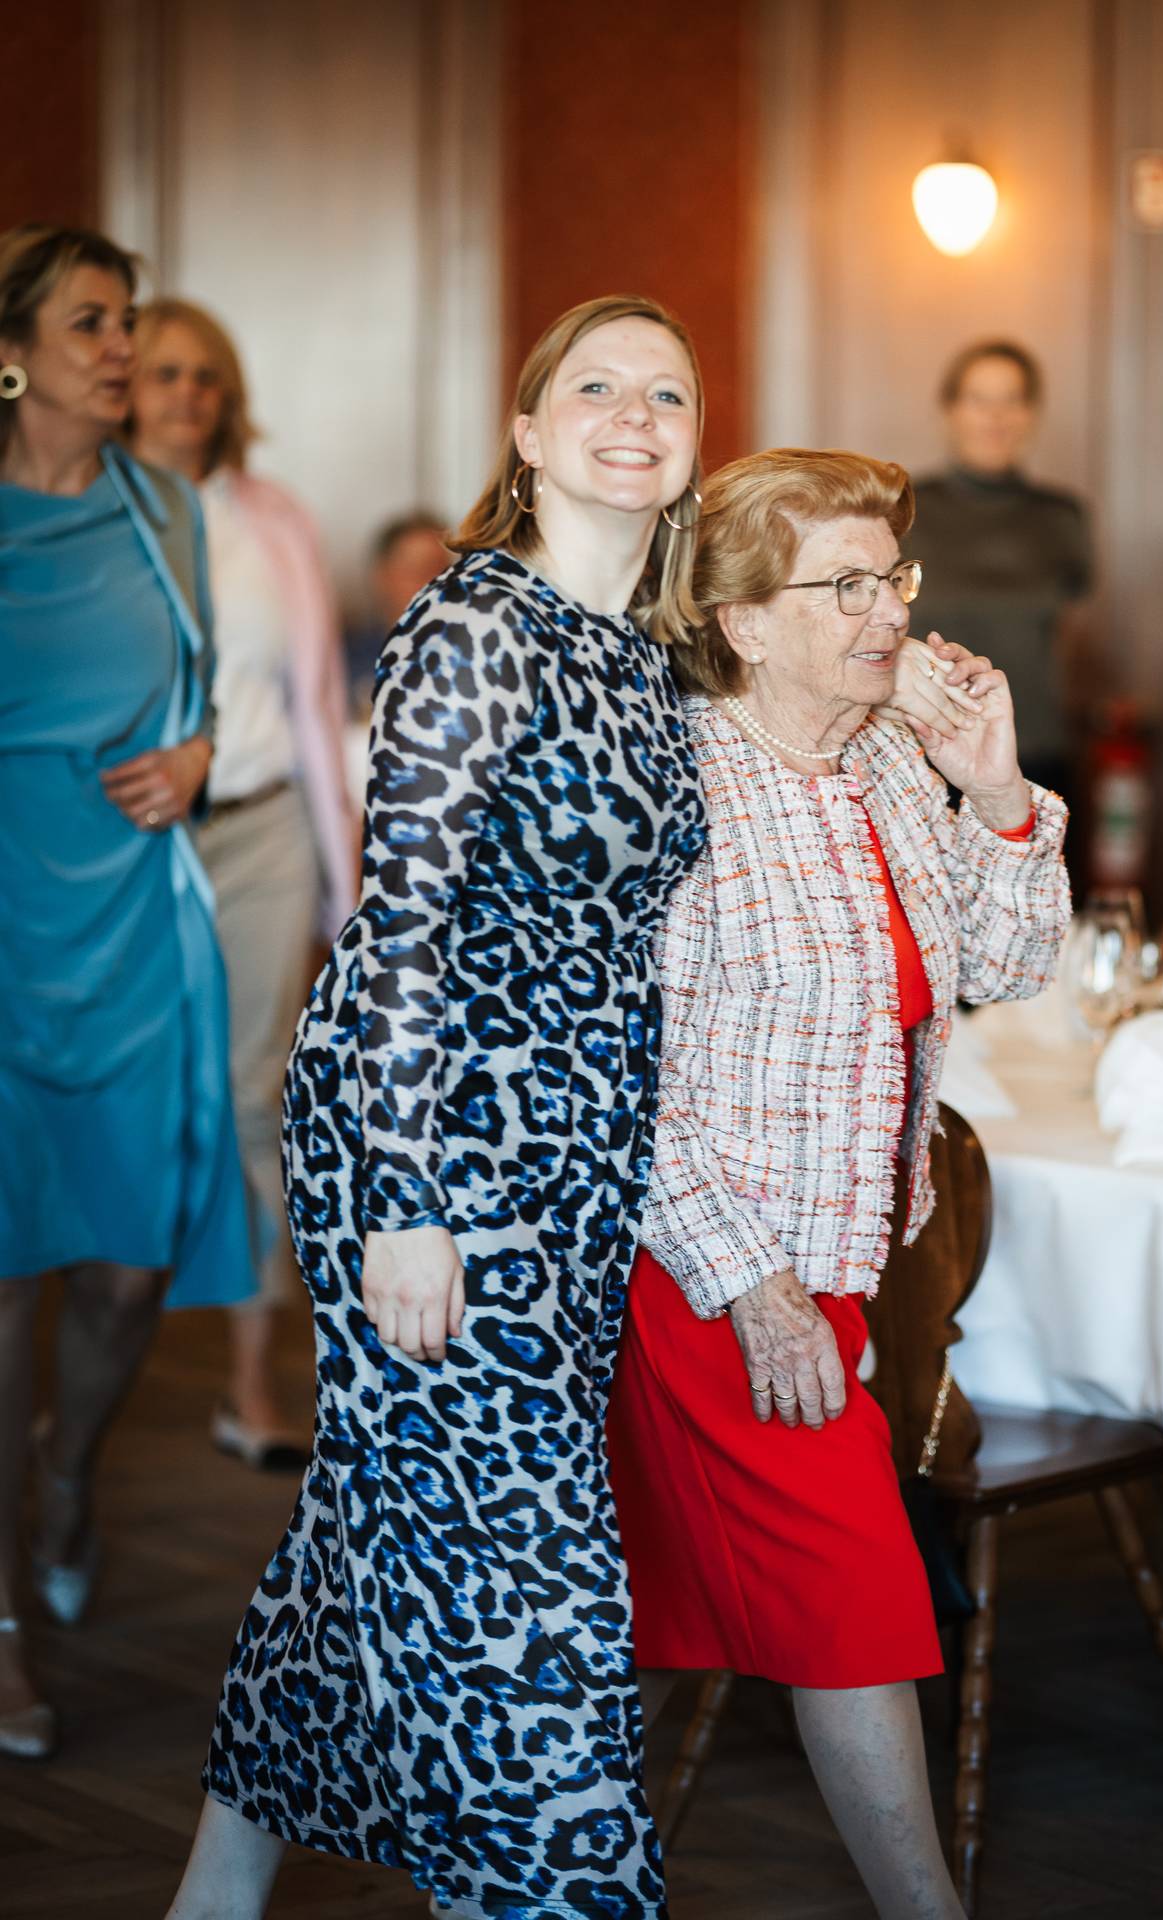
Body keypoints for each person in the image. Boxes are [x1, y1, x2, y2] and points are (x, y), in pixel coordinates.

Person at [166, 294, 708, 1919]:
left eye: (667, 395)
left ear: (693, 447)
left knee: (387, 1507)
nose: (634, 415)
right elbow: (402, 921)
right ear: (529, 434)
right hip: (435, 1136)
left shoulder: (647, 651)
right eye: (596, 387)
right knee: (521, 1561)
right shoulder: (478, 624)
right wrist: (406, 1205)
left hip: (576, 1150)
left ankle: (215, 1890)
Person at [606, 447, 1071, 1919]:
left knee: (650, 1617)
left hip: (844, 1271)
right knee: (861, 1602)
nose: (892, 615)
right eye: (847, 586)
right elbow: (623, 1081)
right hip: (709, 1278)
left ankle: (514, 1857)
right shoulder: (674, 784)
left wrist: (995, 789)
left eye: (895, 578)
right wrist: (753, 1286)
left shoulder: (881, 760)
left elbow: (1007, 967)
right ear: (744, 621)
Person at [0, 227, 254, 1760]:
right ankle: (0, 1626)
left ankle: (68, 1471)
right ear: (11, 351)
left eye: (129, 321)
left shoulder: (164, 507)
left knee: (123, 1267)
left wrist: (202, 753)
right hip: (2, 918)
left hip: (139, 925)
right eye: (92, 323)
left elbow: (202, 687)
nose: (122, 350)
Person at [130, 298, 359, 1467]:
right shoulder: (88, 516)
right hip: (129, 843)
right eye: (164, 372)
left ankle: (251, 1381)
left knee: (256, 1097)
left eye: (205, 375)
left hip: (264, 829)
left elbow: (315, 701)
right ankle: (80, 1391)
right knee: (118, 1100)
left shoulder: (273, 520)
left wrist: (345, 883)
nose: (187, 393)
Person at [909, 340, 1094, 821]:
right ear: (950, 410)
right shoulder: (906, 509)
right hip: (924, 747)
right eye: (979, 399)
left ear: (1031, 414)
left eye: (1011, 400)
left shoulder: (1062, 517)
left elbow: (1074, 635)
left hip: (1037, 748)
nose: (995, 417)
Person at [346, 510, 453, 708]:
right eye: (414, 570)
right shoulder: (346, 661)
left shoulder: (475, 656)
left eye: (440, 570)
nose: (429, 582)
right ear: (382, 576)